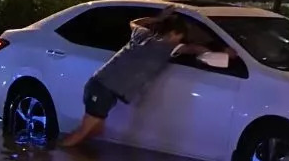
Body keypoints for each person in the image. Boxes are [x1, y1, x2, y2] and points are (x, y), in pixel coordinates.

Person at [61, 10, 226, 148]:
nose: (180, 40)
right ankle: (56, 153)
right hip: (103, 89)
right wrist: (223, 54)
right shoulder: (167, 47)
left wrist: (158, 19)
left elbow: (134, 22)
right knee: (83, 132)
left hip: (100, 86)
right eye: (179, 36)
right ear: (173, 33)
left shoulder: (143, 34)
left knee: (96, 131)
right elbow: (194, 49)